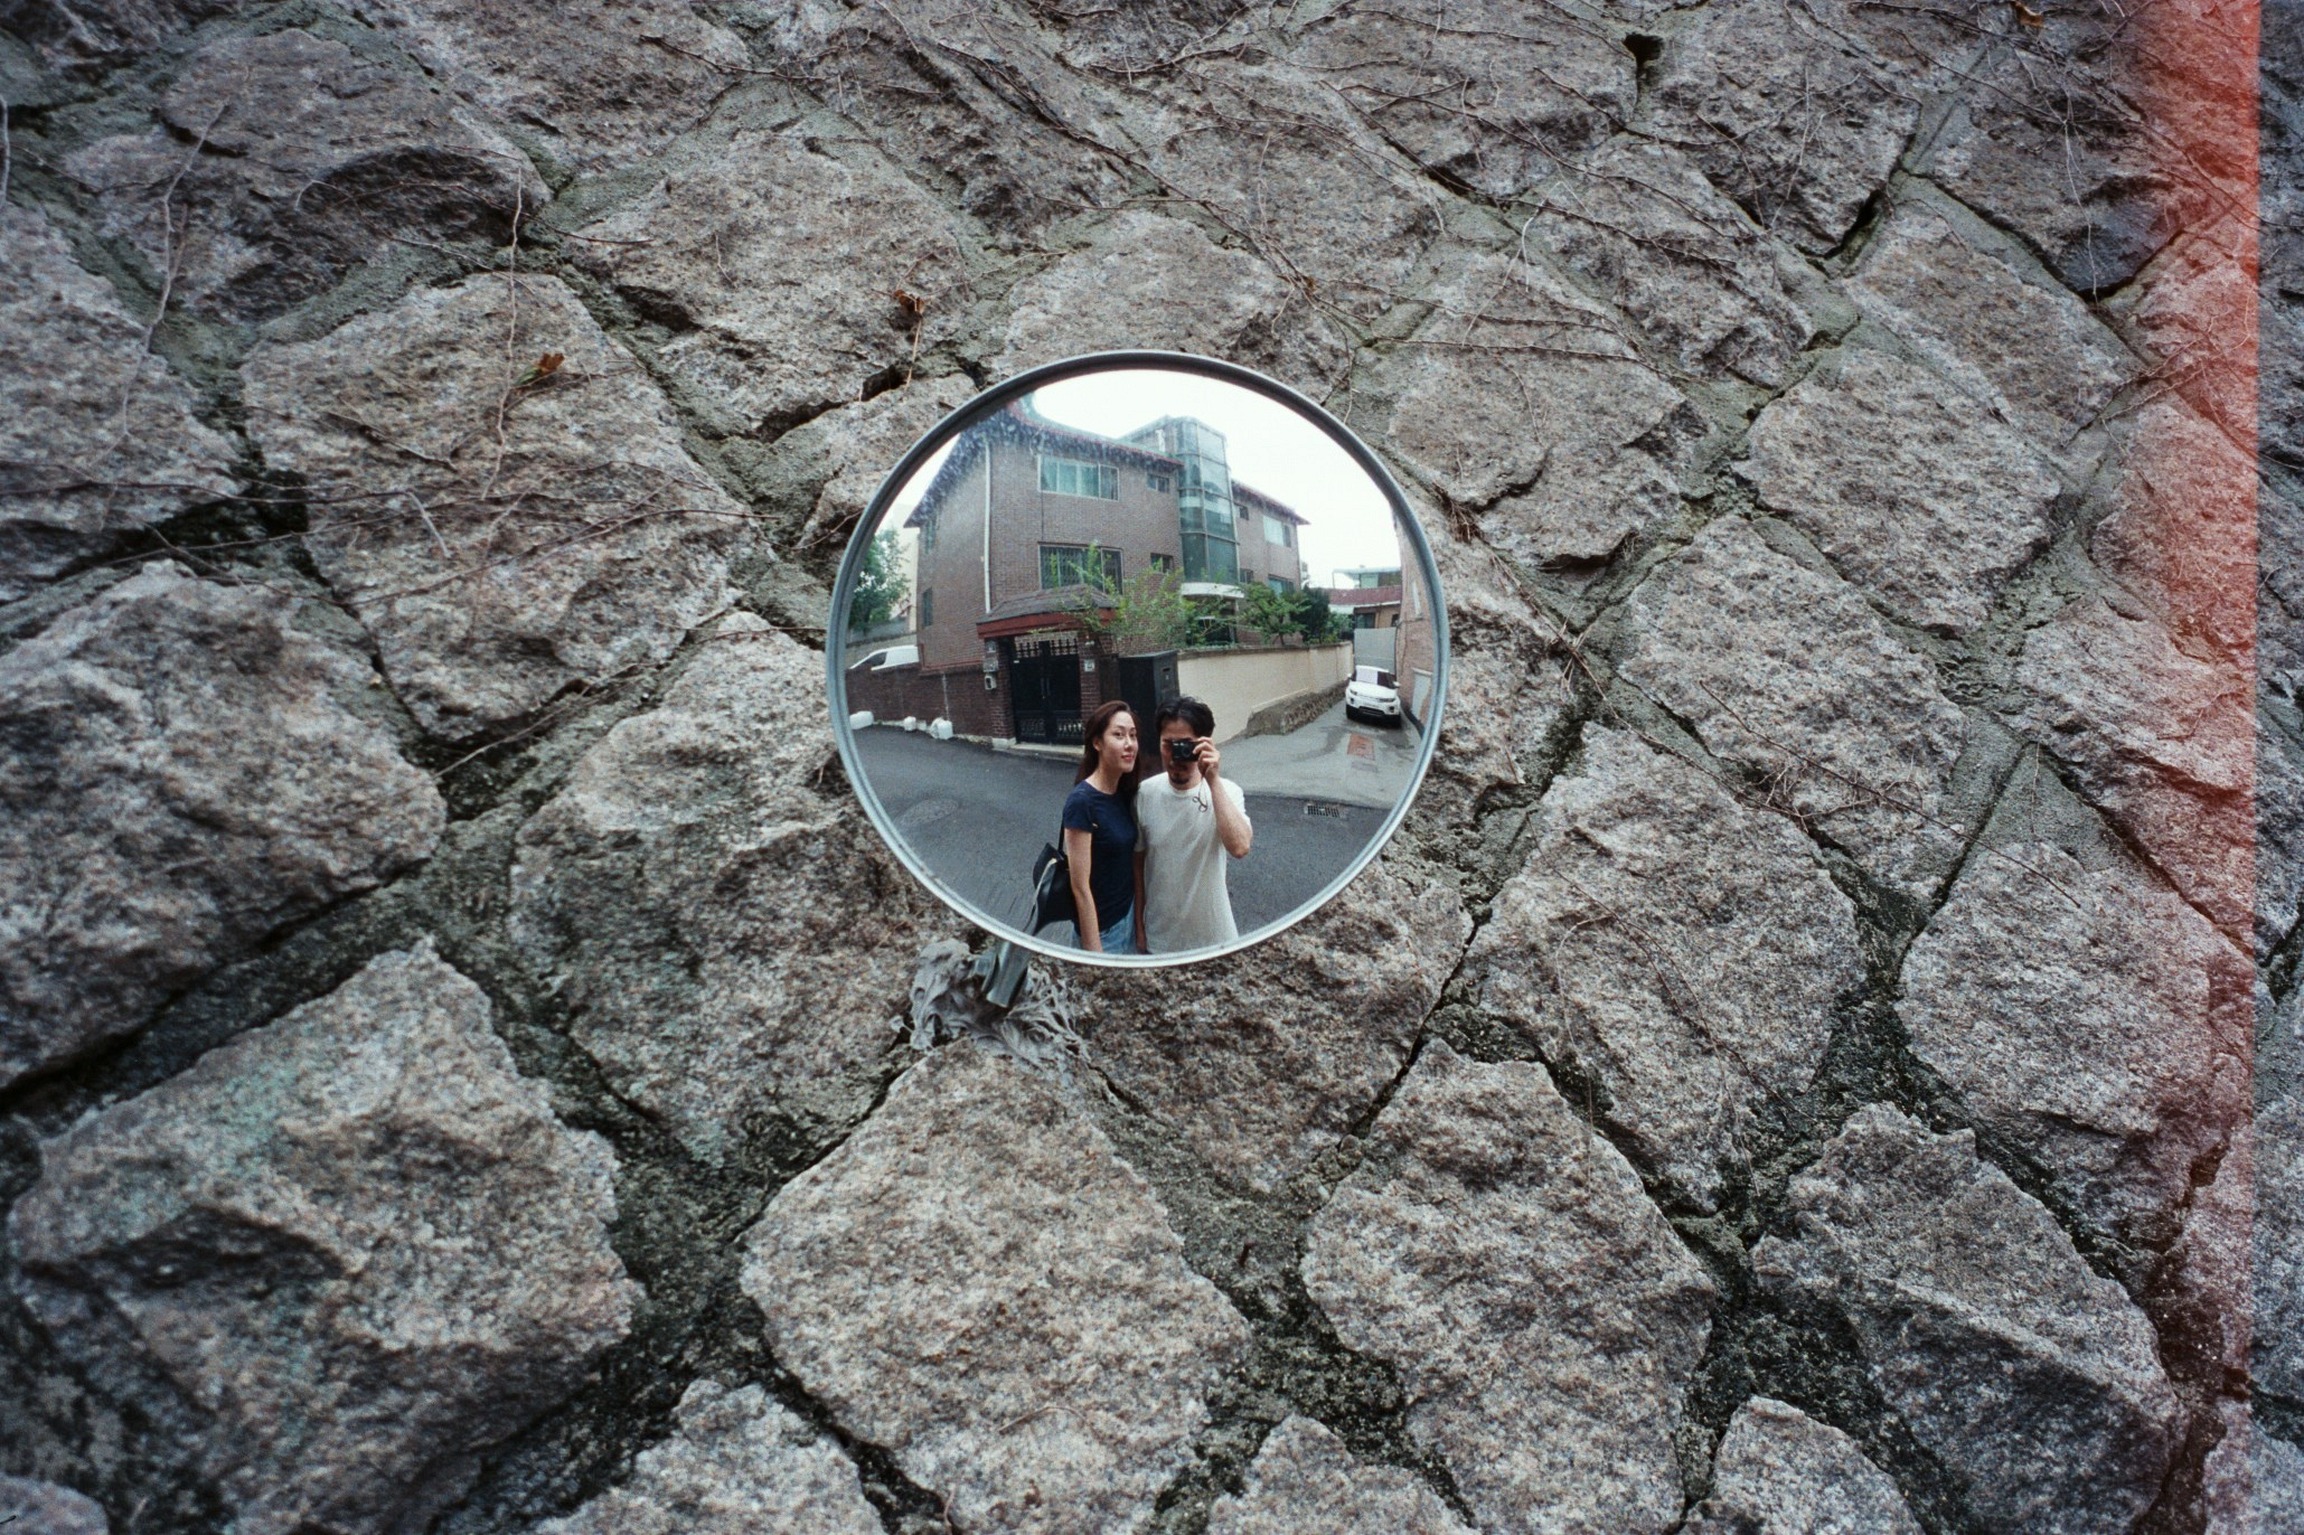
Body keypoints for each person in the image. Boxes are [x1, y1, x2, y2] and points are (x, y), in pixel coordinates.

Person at [1134, 695, 1251, 953]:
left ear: (1205, 744)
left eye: (1185, 745)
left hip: (1216, 939)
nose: (1176, 756)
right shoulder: (1144, 794)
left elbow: (1240, 847)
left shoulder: (1227, 792)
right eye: (1169, 745)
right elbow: (1138, 869)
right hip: (1161, 940)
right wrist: (1140, 930)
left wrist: (1213, 779)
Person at [1061, 699, 1144, 954]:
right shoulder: (1082, 802)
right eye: (1118, 735)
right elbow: (1080, 888)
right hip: (1103, 934)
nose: (1129, 744)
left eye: (1133, 735)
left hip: (1127, 918)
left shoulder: (1123, 791)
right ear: (1097, 743)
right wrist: (1095, 953)